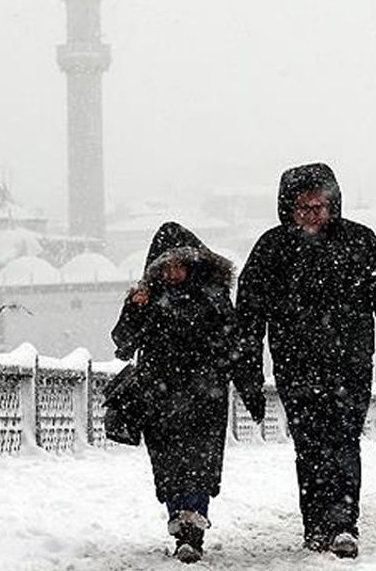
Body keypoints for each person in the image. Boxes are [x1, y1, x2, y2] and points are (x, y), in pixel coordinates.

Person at [235, 163, 376, 558]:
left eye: (319, 206)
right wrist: (247, 368)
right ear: (289, 208)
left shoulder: (359, 242)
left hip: (349, 364)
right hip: (295, 365)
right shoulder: (272, 249)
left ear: (333, 206)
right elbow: (248, 315)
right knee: (309, 444)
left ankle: (342, 524)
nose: (312, 215)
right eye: (304, 207)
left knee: (342, 441)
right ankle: (316, 524)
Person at [111, 222, 266, 564]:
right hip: (159, 397)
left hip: (205, 397)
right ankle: (180, 524)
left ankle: (192, 530)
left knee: (199, 463)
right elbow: (123, 345)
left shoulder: (214, 298)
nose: (174, 272)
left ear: (195, 262)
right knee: (168, 466)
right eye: (166, 266)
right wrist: (134, 308)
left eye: (180, 264)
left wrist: (251, 390)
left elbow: (236, 347)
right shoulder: (147, 299)